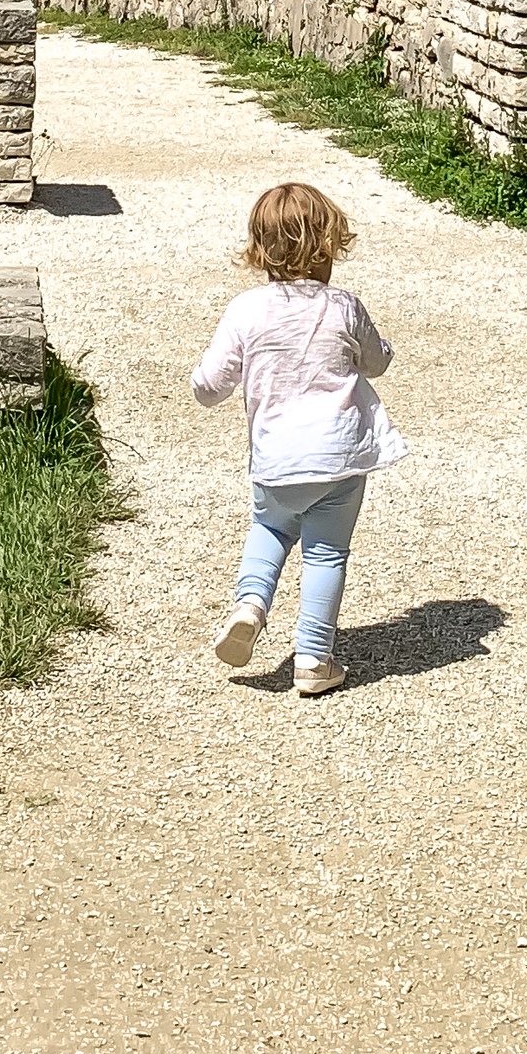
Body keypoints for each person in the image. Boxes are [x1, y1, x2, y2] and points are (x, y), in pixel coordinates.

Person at [189, 179, 404, 697]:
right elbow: (376, 360)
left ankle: (251, 605)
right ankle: (313, 660)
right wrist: (381, 347)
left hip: (276, 458)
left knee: (270, 529)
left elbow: (209, 386)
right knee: (326, 554)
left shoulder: (246, 310)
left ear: (259, 250)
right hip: (340, 459)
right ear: (330, 246)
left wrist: (203, 382)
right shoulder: (345, 306)